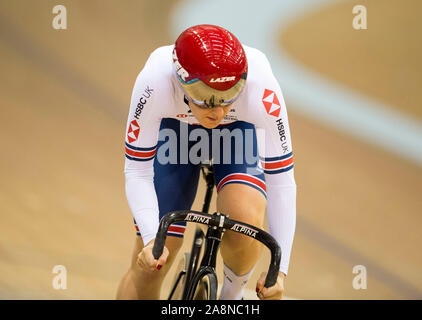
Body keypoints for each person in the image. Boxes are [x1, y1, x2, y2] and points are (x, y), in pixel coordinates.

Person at [116, 24, 296, 300]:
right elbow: (137, 170)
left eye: (229, 95)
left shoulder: (262, 87)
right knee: (150, 265)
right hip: (176, 130)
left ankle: (230, 297)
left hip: (237, 130)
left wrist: (279, 271)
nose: (218, 110)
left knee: (245, 221)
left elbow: (281, 181)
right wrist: (153, 238)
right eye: (205, 96)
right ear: (180, 79)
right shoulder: (155, 82)